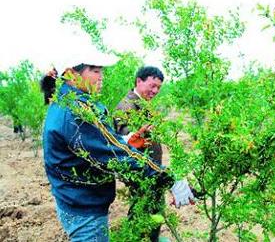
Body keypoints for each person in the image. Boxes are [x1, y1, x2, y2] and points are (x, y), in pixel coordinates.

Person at [43, 54, 195, 242]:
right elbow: (113, 154)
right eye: (95, 71)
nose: (101, 77)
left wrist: (125, 141)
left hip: (77, 199)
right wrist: (168, 179)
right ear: (71, 73)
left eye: (102, 71)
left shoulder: (67, 101)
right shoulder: (77, 112)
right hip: (84, 205)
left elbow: (101, 145)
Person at [114, 66, 166, 241]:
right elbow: (125, 141)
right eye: (152, 86)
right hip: (142, 173)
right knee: (143, 213)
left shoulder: (143, 104)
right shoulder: (127, 106)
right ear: (138, 81)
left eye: (158, 87)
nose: (155, 91)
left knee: (151, 213)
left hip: (151, 171)